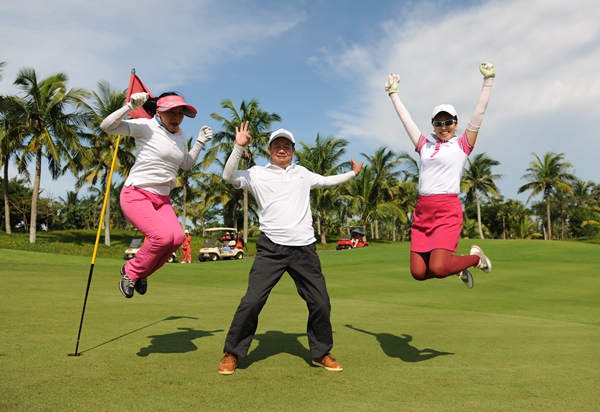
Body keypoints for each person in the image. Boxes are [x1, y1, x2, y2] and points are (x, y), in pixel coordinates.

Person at [217, 123, 364, 375]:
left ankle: (321, 353)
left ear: (293, 150)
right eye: (277, 145)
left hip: (304, 249)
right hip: (271, 249)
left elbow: (327, 181)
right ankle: (232, 353)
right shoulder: (256, 174)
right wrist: (238, 147)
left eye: (287, 146)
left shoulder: (303, 173)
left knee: (320, 302)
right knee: (252, 301)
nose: (282, 149)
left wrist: (352, 174)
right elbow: (228, 176)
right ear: (269, 149)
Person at [384, 62, 496, 289]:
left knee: (438, 268)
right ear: (433, 125)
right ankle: (457, 266)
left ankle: (476, 259)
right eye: (438, 123)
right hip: (423, 212)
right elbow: (406, 120)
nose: (443, 127)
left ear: (456, 123)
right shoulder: (424, 145)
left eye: (448, 122)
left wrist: (488, 80)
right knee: (418, 272)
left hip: (446, 210)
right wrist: (393, 94)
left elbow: (480, 111)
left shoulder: (462, 145)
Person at [100, 91, 212, 298]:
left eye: (180, 113)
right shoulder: (146, 126)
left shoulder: (181, 135)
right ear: (159, 112)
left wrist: (200, 142)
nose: (177, 117)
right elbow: (107, 126)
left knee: (176, 239)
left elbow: (185, 164)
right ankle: (130, 272)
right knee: (161, 237)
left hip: (162, 199)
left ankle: (141, 273)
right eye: (171, 112)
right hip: (137, 194)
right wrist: (129, 107)